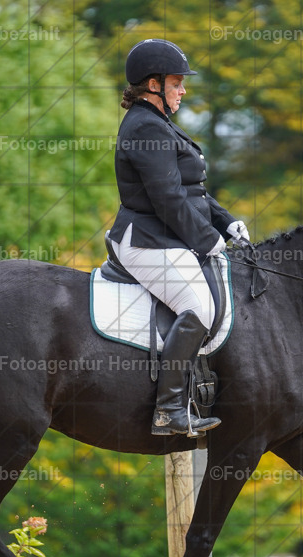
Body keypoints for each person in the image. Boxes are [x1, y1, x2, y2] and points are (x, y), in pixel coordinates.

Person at [108, 38, 249, 437]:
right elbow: (167, 200)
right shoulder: (144, 128)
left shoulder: (159, 122)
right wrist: (208, 240)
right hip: (146, 241)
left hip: (167, 237)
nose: (183, 90)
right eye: (176, 82)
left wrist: (226, 222)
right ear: (153, 85)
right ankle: (169, 410)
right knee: (200, 308)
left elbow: (191, 190)